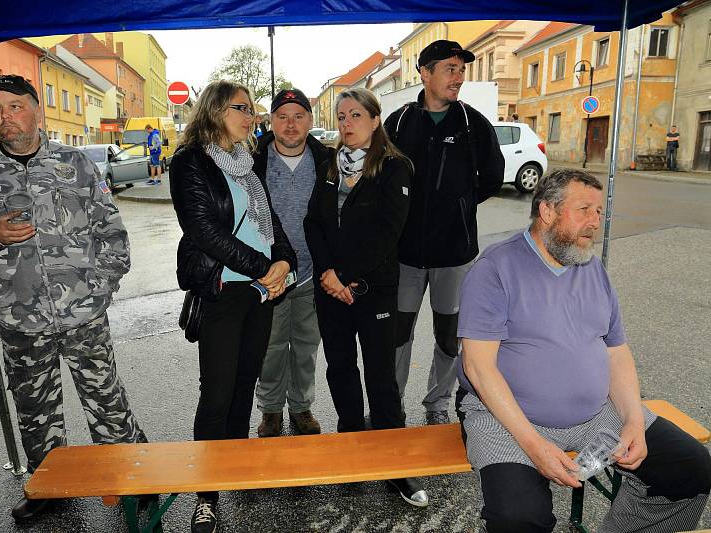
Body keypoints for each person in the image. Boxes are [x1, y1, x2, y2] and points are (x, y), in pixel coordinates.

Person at [0, 74, 147, 521]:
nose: (5, 117)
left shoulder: (77, 164)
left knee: (106, 396)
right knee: (35, 407)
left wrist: (101, 286)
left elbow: (112, 232)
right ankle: (49, 485)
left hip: (84, 314)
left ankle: (134, 476)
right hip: (19, 319)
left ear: (37, 109)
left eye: (15, 106)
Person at [456, 168, 711, 532]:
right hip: (507, 421)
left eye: (598, 211)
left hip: (595, 416)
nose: (595, 222)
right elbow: (478, 367)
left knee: (691, 468)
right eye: (584, 210)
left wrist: (634, 422)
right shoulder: (495, 269)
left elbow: (616, 351)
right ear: (547, 212)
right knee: (518, 518)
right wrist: (534, 446)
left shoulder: (590, 267)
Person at [170, 79, 296, 533]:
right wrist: (264, 266)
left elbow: (270, 219)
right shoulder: (190, 163)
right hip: (223, 291)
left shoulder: (247, 161)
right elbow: (204, 229)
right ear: (216, 111)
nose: (252, 116)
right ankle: (206, 494)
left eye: (252, 109)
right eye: (242, 108)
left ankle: (235, 465)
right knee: (218, 392)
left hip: (259, 292)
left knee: (245, 384)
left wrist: (285, 260)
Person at [304, 87, 428, 508]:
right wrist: (327, 274)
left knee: (380, 376)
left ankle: (397, 467)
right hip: (330, 290)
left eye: (356, 115)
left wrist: (346, 275)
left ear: (376, 120)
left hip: (374, 290)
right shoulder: (329, 166)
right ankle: (353, 447)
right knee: (340, 369)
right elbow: (313, 223)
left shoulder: (395, 168)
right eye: (341, 117)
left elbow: (387, 233)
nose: (347, 124)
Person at [383, 40, 504, 425]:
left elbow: (493, 178)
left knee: (449, 336)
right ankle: (393, 402)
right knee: (398, 334)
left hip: (454, 255)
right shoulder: (399, 123)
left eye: (461, 69)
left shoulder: (473, 124)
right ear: (425, 73)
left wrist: (459, 206)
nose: (458, 77)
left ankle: (437, 403)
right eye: (450, 69)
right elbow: (379, 178)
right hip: (404, 256)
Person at [253, 88, 333, 438]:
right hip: (270, 274)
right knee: (270, 347)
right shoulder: (252, 161)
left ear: (310, 121)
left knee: (305, 348)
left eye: (298, 116)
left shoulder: (326, 160)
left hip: (312, 274)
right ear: (271, 121)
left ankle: (301, 406)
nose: (290, 124)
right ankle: (270, 409)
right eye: (282, 116)